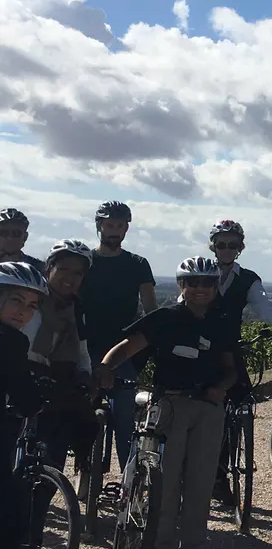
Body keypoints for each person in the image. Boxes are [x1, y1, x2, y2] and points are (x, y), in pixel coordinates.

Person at [98, 257, 238, 549]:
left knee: (201, 483)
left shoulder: (223, 321)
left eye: (206, 282)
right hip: (170, 404)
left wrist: (223, 388)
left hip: (208, 407)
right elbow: (128, 346)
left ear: (215, 286)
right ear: (181, 286)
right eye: (192, 282)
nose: (200, 288)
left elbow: (232, 368)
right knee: (167, 481)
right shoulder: (165, 318)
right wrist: (105, 367)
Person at [17, 240, 96, 549]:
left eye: (78, 273)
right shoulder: (29, 301)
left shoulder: (76, 308)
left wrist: (86, 377)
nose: (70, 278)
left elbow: (81, 350)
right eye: (63, 269)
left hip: (58, 398)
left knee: (43, 488)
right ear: (49, 269)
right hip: (22, 393)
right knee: (18, 490)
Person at [204, 220, 272, 506]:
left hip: (228, 349)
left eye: (233, 244)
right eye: (222, 244)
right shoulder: (201, 270)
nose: (227, 249)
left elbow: (262, 303)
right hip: (199, 349)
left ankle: (219, 474)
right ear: (213, 246)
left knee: (237, 405)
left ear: (240, 248)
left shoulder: (247, 278)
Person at [0, 262, 48, 549]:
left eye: (30, 305)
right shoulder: (11, 342)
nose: (23, 311)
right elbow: (27, 397)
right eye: (16, 299)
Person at [79, 200, 155, 471]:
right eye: (109, 225)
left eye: (119, 226)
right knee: (81, 415)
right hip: (85, 348)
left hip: (125, 349)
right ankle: (83, 471)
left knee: (125, 422)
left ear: (126, 229)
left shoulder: (137, 264)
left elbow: (150, 311)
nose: (114, 231)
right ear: (99, 226)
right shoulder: (84, 262)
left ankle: (129, 486)